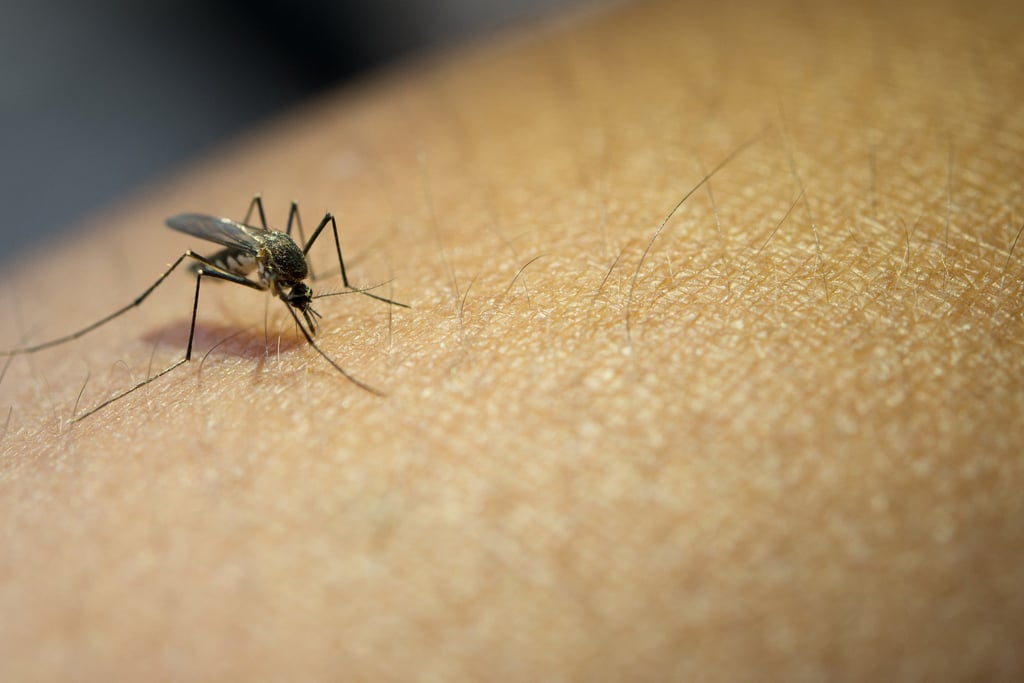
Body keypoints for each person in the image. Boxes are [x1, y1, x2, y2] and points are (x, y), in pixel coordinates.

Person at [1, 0, 1021, 678]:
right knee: (193, 260)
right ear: (279, 275)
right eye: (299, 286)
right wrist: (247, 301)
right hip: (211, 243)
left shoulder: (292, 257)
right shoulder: (251, 265)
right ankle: (154, 340)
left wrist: (328, 289)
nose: (295, 299)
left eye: (297, 286)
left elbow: (297, 259)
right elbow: (238, 251)